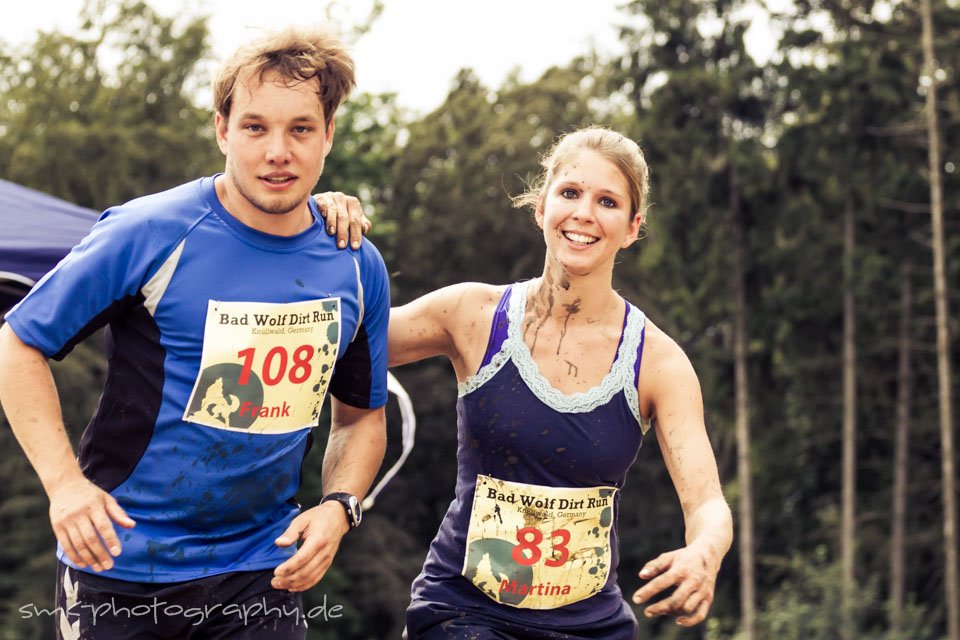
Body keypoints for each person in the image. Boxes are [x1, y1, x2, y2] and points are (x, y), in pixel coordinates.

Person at [0, 26, 389, 640]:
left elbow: (361, 419)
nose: (277, 151)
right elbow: (17, 344)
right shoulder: (147, 232)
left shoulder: (356, 262)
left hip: (265, 569)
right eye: (256, 127)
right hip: (120, 565)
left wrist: (339, 508)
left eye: (301, 129)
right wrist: (64, 486)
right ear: (222, 130)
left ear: (329, 134)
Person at [326, 126, 733, 638]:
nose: (584, 213)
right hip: (462, 613)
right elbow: (335, 339)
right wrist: (314, 224)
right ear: (541, 208)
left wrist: (704, 552)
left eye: (606, 201)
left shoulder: (658, 362)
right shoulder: (471, 314)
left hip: (590, 625)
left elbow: (708, 503)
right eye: (570, 193)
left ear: (632, 227)